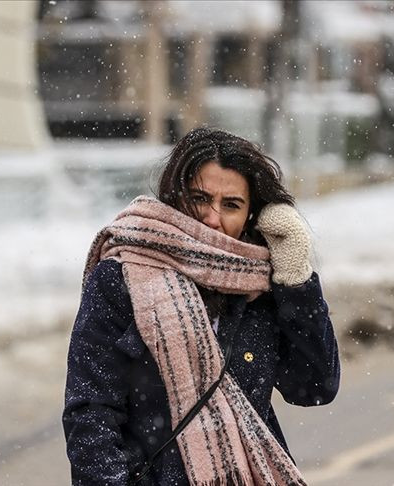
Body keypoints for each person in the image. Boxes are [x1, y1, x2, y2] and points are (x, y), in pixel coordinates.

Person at [63, 127, 340, 485]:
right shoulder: (122, 277)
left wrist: (295, 277)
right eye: (199, 198)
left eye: (231, 205)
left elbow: (315, 387)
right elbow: (91, 413)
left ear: (252, 216)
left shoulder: (260, 287)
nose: (212, 217)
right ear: (174, 197)